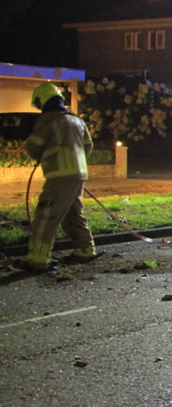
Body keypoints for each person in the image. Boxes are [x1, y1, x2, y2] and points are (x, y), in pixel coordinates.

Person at [24, 83, 99, 272]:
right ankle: (84, 249)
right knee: (73, 213)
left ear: (42, 100)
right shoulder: (76, 119)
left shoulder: (47, 120)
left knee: (46, 214)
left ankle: (38, 258)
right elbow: (88, 146)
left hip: (59, 175)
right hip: (78, 173)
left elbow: (34, 147)